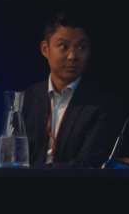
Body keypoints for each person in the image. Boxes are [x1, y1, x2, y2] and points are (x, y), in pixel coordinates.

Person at [21, 12, 122, 167]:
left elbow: (87, 164)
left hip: (75, 189)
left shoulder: (104, 105)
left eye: (81, 47)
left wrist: (39, 173)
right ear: (45, 49)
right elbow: (12, 160)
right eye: (64, 46)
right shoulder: (24, 100)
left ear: (89, 52)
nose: (72, 56)